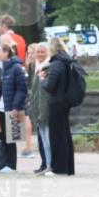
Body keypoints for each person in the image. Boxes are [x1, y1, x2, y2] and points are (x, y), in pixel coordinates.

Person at [0, 40, 27, 173]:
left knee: (11, 137)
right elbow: (1, 88)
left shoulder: (16, 68)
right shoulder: (1, 67)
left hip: (11, 106)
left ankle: (11, 165)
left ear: (6, 52)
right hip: (1, 107)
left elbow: (22, 89)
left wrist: (16, 107)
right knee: (4, 136)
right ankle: (4, 162)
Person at [41, 37, 76, 176]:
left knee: (57, 136)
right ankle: (68, 167)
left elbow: (50, 86)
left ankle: (59, 168)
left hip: (57, 102)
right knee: (65, 135)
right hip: (65, 101)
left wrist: (43, 80)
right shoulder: (66, 61)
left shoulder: (56, 64)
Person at [27, 42, 53, 175]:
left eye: (43, 51)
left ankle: (50, 165)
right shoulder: (35, 67)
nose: (40, 54)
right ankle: (46, 164)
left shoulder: (49, 68)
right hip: (37, 109)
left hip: (46, 110)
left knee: (48, 140)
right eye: (38, 52)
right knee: (43, 140)